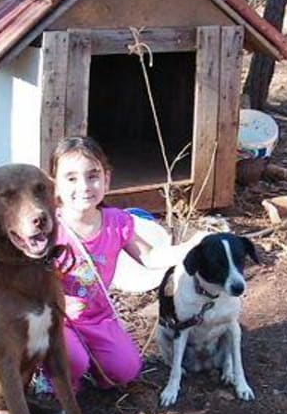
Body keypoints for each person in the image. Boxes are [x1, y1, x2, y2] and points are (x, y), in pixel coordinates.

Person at [49, 136, 200, 392]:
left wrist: (191, 246)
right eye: (71, 178)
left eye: (93, 175)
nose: (84, 186)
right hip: (56, 321)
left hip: (98, 318)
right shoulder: (49, 227)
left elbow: (150, 257)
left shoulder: (117, 222)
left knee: (126, 370)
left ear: (106, 179)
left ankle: (89, 366)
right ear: (55, 185)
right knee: (72, 361)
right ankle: (55, 376)